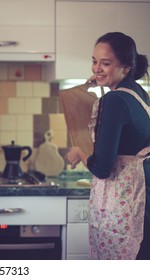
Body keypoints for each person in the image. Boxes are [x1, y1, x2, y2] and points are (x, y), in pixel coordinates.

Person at [65, 32, 150, 260]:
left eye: (106, 63)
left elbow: (102, 167)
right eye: (94, 61)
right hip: (143, 200)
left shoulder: (114, 101)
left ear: (126, 67)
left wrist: (80, 152)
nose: (96, 69)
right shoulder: (140, 95)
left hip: (124, 208)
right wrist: (97, 85)